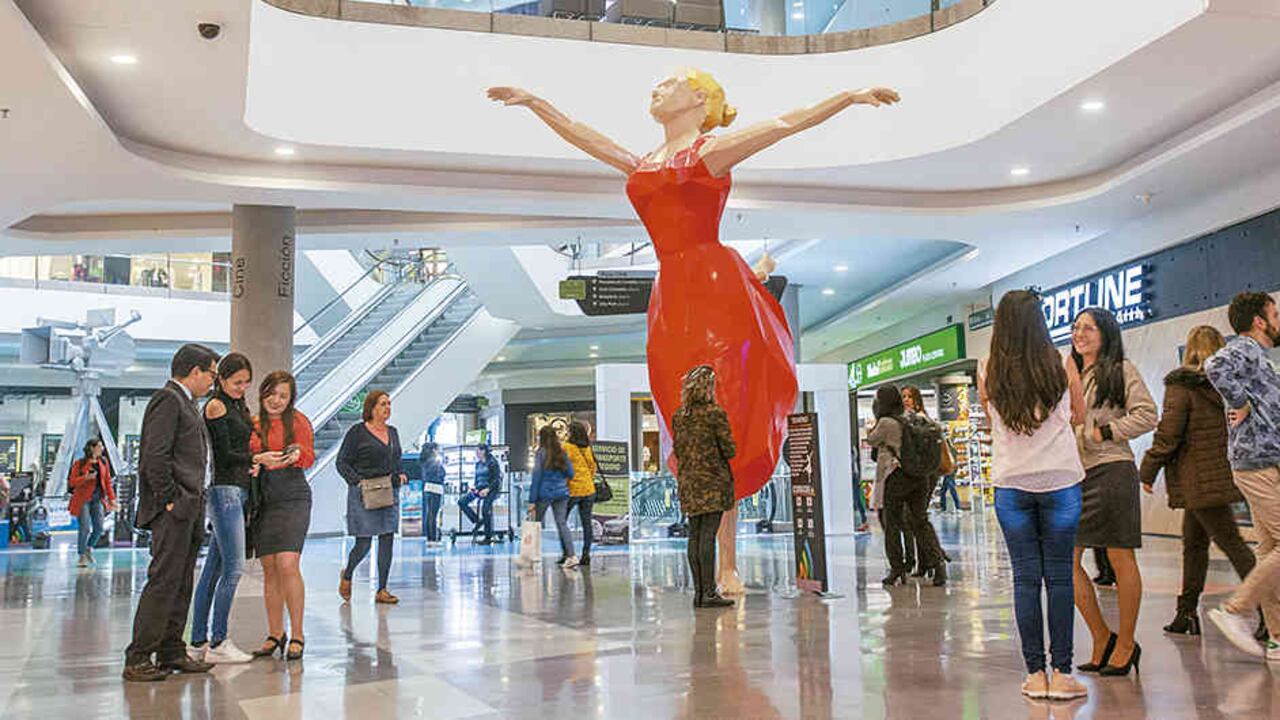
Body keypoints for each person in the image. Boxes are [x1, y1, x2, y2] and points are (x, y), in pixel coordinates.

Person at [489, 74, 898, 594]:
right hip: (672, 294)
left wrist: (848, 97)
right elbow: (581, 133)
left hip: (711, 285)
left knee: (723, 407)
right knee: (680, 410)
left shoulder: (712, 151)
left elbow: (784, 124)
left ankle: (727, 561)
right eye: (656, 84)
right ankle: (711, 555)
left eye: (671, 85)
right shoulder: (646, 160)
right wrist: (535, 101)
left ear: (700, 101)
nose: (657, 90)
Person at [979, 290, 1088, 701]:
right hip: (1061, 480)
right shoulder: (1061, 361)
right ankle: (1063, 673)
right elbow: (1078, 414)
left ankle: (1035, 674)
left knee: (1026, 578)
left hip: (1012, 483)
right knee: (1059, 577)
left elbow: (994, 419)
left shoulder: (988, 368)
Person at [1140, 326, 1256, 636]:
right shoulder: (1230, 385)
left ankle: (1269, 610)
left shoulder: (1182, 386)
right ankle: (1186, 613)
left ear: (1190, 349)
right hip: (1222, 473)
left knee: (1231, 543)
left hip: (1197, 478)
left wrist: (1148, 469)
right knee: (1194, 544)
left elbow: (1169, 434)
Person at [122, 343, 220, 682]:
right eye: (211, 374)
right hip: (176, 508)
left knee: (181, 583)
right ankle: (138, 656)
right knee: (164, 581)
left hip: (191, 505)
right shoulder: (169, 399)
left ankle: (171, 650)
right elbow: (155, 456)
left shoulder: (188, 403)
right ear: (195, 371)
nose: (212, 381)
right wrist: (170, 500)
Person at [1069, 307, 1158, 677]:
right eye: (1076, 327)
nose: (1080, 333)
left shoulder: (1121, 369)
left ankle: (1126, 643)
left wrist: (1103, 432)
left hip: (1112, 469)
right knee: (1066, 561)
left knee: (1121, 559)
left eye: (1088, 327)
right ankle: (1103, 636)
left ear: (1105, 333)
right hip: (1075, 475)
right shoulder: (1070, 374)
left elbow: (1147, 415)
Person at [1204, 291, 1280, 661]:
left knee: (1269, 550)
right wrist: (1239, 403)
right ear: (1260, 321)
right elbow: (1214, 366)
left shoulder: (1260, 358)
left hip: (1264, 460)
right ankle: (1235, 609)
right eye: (1275, 314)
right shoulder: (1246, 348)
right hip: (1256, 462)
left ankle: (1278, 638)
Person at [190, 353, 275, 665]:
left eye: (246, 383)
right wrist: (256, 459)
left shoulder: (236, 405)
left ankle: (199, 640)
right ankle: (218, 639)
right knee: (233, 568)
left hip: (235, 490)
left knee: (213, 569)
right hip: (224, 491)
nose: (242, 388)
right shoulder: (216, 406)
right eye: (237, 382)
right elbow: (225, 454)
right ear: (221, 379)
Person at [248, 371, 315, 662]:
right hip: (265, 498)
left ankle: (297, 633)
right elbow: (244, 457)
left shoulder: (298, 421)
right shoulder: (252, 424)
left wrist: (296, 454)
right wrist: (255, 461)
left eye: (283, 395)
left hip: (293, 494)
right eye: (271, 393)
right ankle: (275, 633)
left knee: (288, 563)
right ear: (263, 394)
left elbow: (309, 456)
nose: (276, 400)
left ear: (290, 399)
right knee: (270, 568)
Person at [867, 385, 945, 586]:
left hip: (896, 476)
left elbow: (872, 439)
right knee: (920, 522)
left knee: (891, 523)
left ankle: (897, 569)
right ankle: (938, 565)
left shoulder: (885, 422)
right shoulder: (913, 417)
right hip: (919, 476)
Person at [672, 365, 736, 609]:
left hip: (689, 482)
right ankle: (709, 593)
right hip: (712, 483)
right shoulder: (714, 414)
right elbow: (729, 449)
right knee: (708, 536)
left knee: (695, 535)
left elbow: (678, 450)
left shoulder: (680, 416)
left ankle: (699, 592)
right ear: (708, 388)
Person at [337, 390, 407, 605]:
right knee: (364, 542)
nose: (387, 408)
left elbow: (395, 460)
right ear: (371, 408)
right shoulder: (357, 432)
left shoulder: (392, 432)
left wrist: (400, 475)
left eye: (389, 404)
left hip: (388, 490)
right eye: (382, 404)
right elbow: (342, 462)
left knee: (387, 538)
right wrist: (356, 481)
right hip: (364, 492)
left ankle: (382, 589)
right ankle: (347, 574)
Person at [528, 425, 577, 568]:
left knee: (534, 524)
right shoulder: (562, 452)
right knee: (562, 524)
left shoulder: (541, 453)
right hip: (562, 493)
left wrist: (532, 500)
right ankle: (572, 555)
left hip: (545, 493)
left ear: (542, 438)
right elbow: (571, 473)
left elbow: (536, 477)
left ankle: (531, 556)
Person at [69, 438, 117, 567]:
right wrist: (86, 477)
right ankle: (81, 555)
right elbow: (72, 482)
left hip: (98, 499)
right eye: (99, 446)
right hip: (83, 499)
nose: (102, 448)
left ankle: (89, 547)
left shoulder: (103, 462)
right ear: (92, 448)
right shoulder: (79, 463)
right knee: (84, 527)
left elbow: (107, 482)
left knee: (99, 527)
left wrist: (112, 499)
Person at [564, 421, 599, 566]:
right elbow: (592, 467)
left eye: (568, 431)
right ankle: (586, 555)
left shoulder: (567, 447)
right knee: (587, 524)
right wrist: (586, 480)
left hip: (573, 490)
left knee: (562, 521)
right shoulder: (587, 447)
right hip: (588, 490)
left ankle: (568, 554)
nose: (566, 433)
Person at [459, 444, 503, 544]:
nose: (476, 453)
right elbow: (477, 479)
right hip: (479, 489)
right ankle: (478, 521)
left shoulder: (492, 463)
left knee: (485, 509)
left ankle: (488, 537)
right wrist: (474, 487)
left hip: (491, 490)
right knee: (462, 501)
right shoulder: (478, 464)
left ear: (483, 451)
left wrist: (488, 489)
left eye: (478, 451)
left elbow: (497, 479)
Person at [421, 442, 446, 544]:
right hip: (436, 488)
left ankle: (429, 538)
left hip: (427, 488)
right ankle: (433, 539)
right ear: (433, 450)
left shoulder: (424, 460)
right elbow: (441, 473)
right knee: (433, 515)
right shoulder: (435, 460)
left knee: (429, 514)